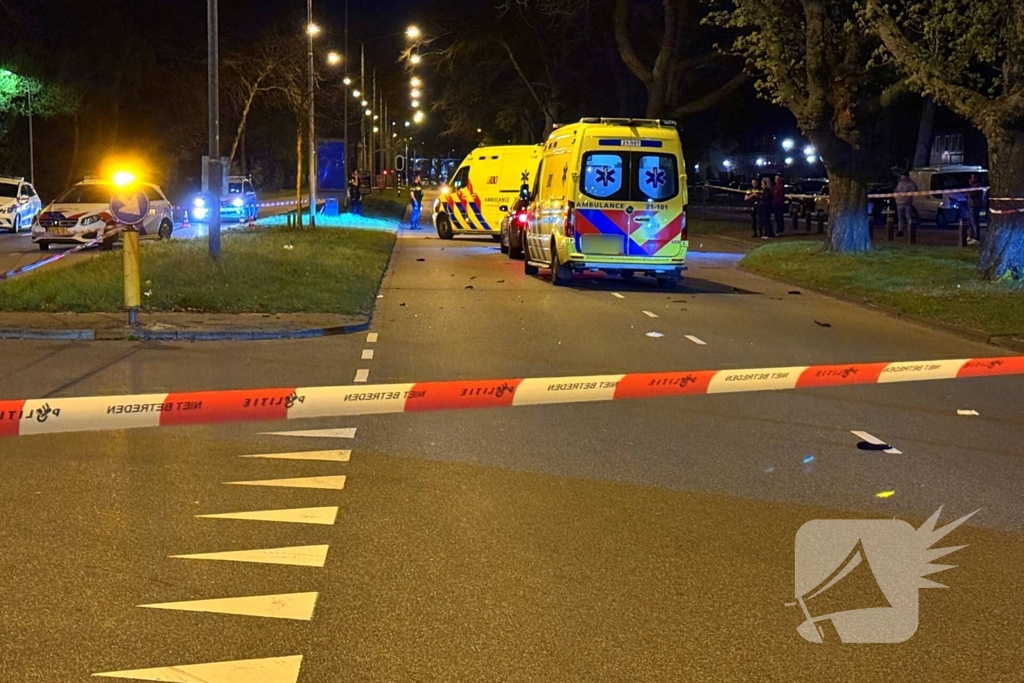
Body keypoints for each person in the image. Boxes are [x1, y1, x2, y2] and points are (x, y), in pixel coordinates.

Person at [894, 172, 917, 237]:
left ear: (907, 176)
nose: (902, 178)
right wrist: (896, 197)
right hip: (899, 203)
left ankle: (910, 231)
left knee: (909, 218)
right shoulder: (899, 183)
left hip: (907, 204)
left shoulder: (911, 184)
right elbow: (896, 191)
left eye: (903, 176)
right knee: (900, 218)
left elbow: (913, 193)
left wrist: (907, 199)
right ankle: (900, 231)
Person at [966, 173, 984, 245]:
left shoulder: (977, 185)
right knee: (970, 222)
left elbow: (970, 194)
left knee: (974, 222)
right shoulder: (973, 186)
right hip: (971, 205)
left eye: (973, 177)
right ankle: (971, 235)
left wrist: (970, 186)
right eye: (971, 177)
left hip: (975, 205)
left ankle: (976, 237)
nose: (972, 179)